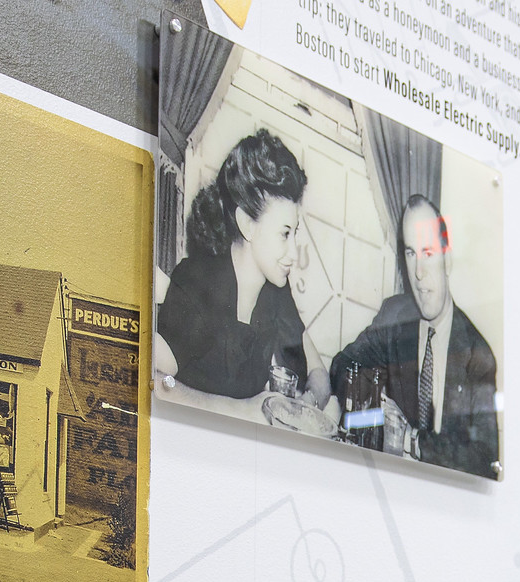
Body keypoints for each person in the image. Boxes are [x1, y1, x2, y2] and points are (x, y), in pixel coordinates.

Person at [153, 130, 334, 433]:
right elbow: (157, 382)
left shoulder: (275, 290)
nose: (293, 253)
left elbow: (318, 373)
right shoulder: (200, 283)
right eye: (284, 234)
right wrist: (242, 411)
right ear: (248, 225)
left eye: (295, 234)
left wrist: (303, 408)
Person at [328, 194, 499, 478]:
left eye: (428, 253)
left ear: (448, 260)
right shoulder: (395, 317)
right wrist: (374, 417)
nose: (418, 273)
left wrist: (412, 439)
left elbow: (484, 459)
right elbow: (344, 365)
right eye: (410, 253)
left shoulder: (477, 356)